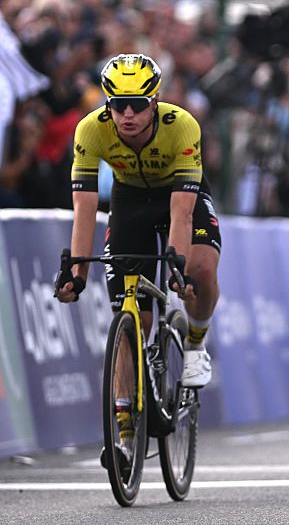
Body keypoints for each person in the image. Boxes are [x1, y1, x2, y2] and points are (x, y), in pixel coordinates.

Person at [55, 54, 221, 390]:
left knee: (201, 269)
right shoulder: (90, 129)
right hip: (130, 200)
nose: (127, 115)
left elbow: (182, 212)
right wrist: (77, 271)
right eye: (118, 105)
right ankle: (124, 433)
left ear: (155, 100)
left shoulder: (182, 125)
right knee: (133, 322)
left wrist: (179, 263)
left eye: (137, 105)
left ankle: (196, 343)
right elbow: (84, 208)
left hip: (179, 194)